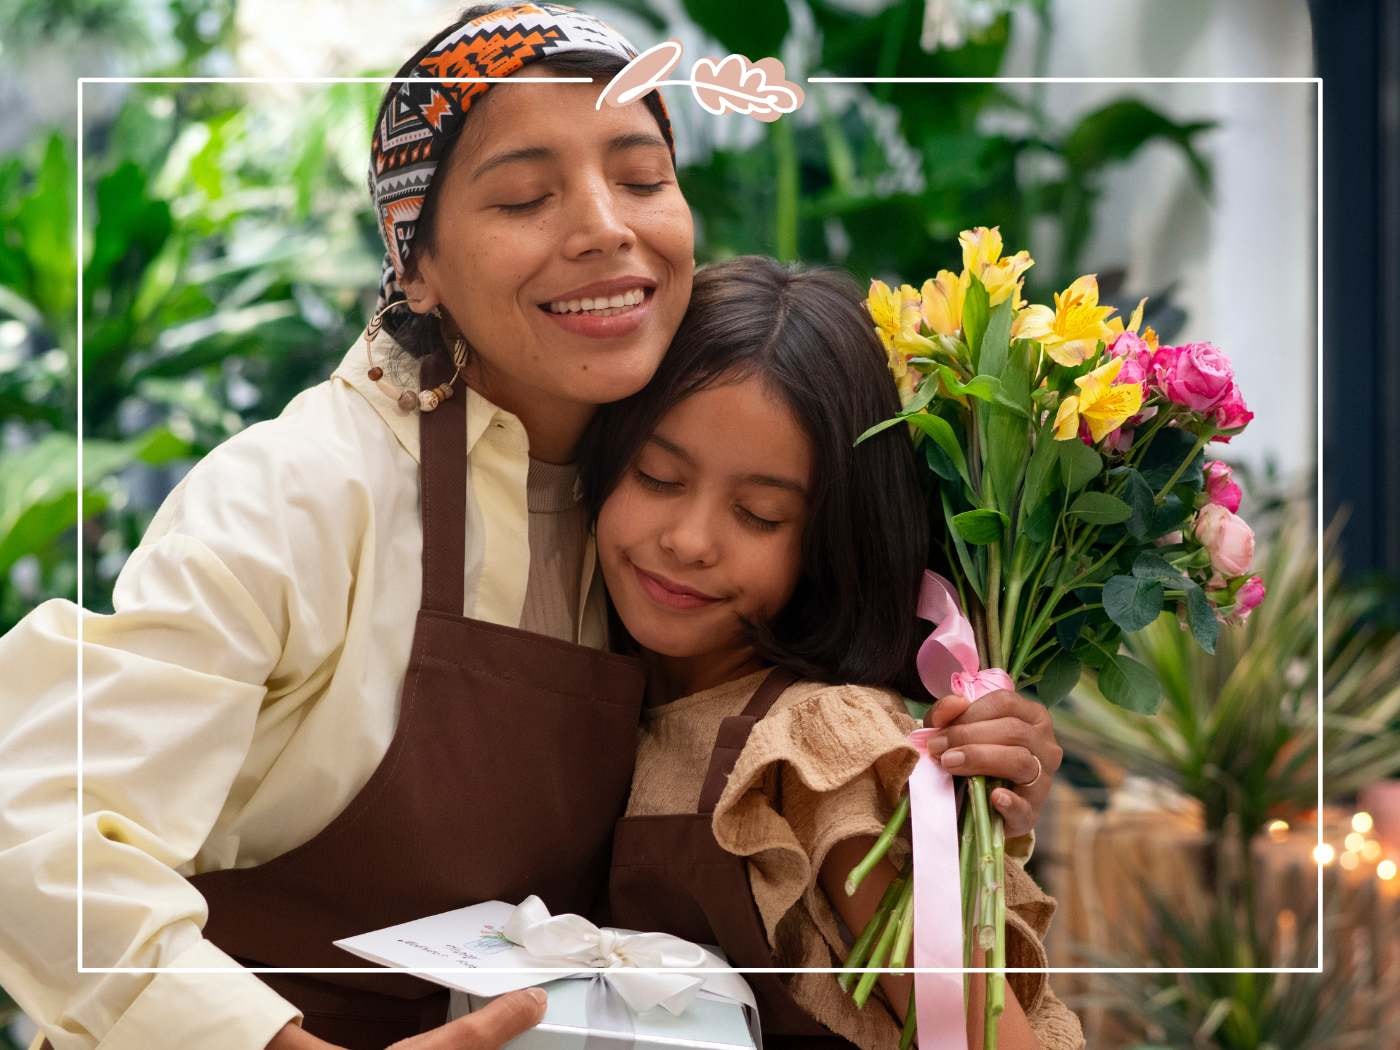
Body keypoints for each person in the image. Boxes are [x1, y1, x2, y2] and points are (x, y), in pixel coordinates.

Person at [0, 5, 1063, 1049]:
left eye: (641, 178)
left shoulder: (642, 511)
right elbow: (32, 828)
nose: (605, 225)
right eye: (522, 196)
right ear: (415, 263)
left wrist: (971, 751)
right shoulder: (303, 491)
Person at [580, 257, 1084, 1049]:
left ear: (830, 540)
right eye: (658, 476)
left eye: (759, 514)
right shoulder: (601, 677)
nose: (690, 540)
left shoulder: (820, 746)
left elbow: (984, 1036)